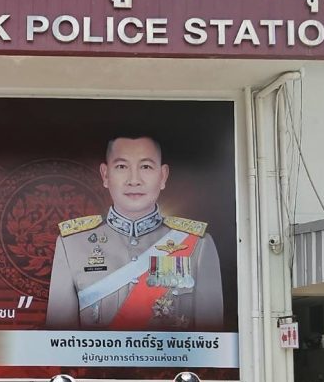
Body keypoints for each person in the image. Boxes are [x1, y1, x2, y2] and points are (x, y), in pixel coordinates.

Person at [46, 135, 223, 330]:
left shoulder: (198, 244)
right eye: (122, 167)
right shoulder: (72, 243)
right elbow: (60, 342)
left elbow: (211, 343)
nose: (134, 180)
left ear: (163, 176)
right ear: (105, 175)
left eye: (146, 167)